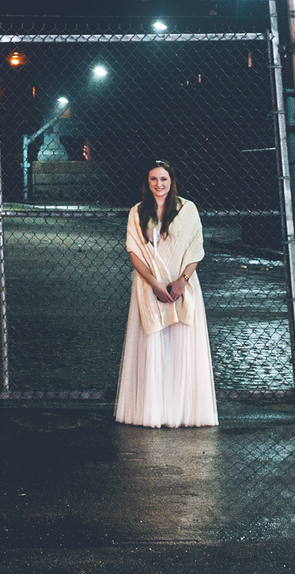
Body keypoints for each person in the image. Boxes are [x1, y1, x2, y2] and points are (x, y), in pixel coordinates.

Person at [114, 158, 218, 427]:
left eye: (163, 179)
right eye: (153, 179)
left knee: (181, 347)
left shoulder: (187, 209)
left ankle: (182, 411)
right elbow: (134, 252)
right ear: (146, 183)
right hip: (150, 285)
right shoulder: (137, 212)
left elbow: (196, 250)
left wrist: (181, 281)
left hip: (182, 285)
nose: (158, 184)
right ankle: (154, 411)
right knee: (153, 347)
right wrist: (154, 284)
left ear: (171, 182)